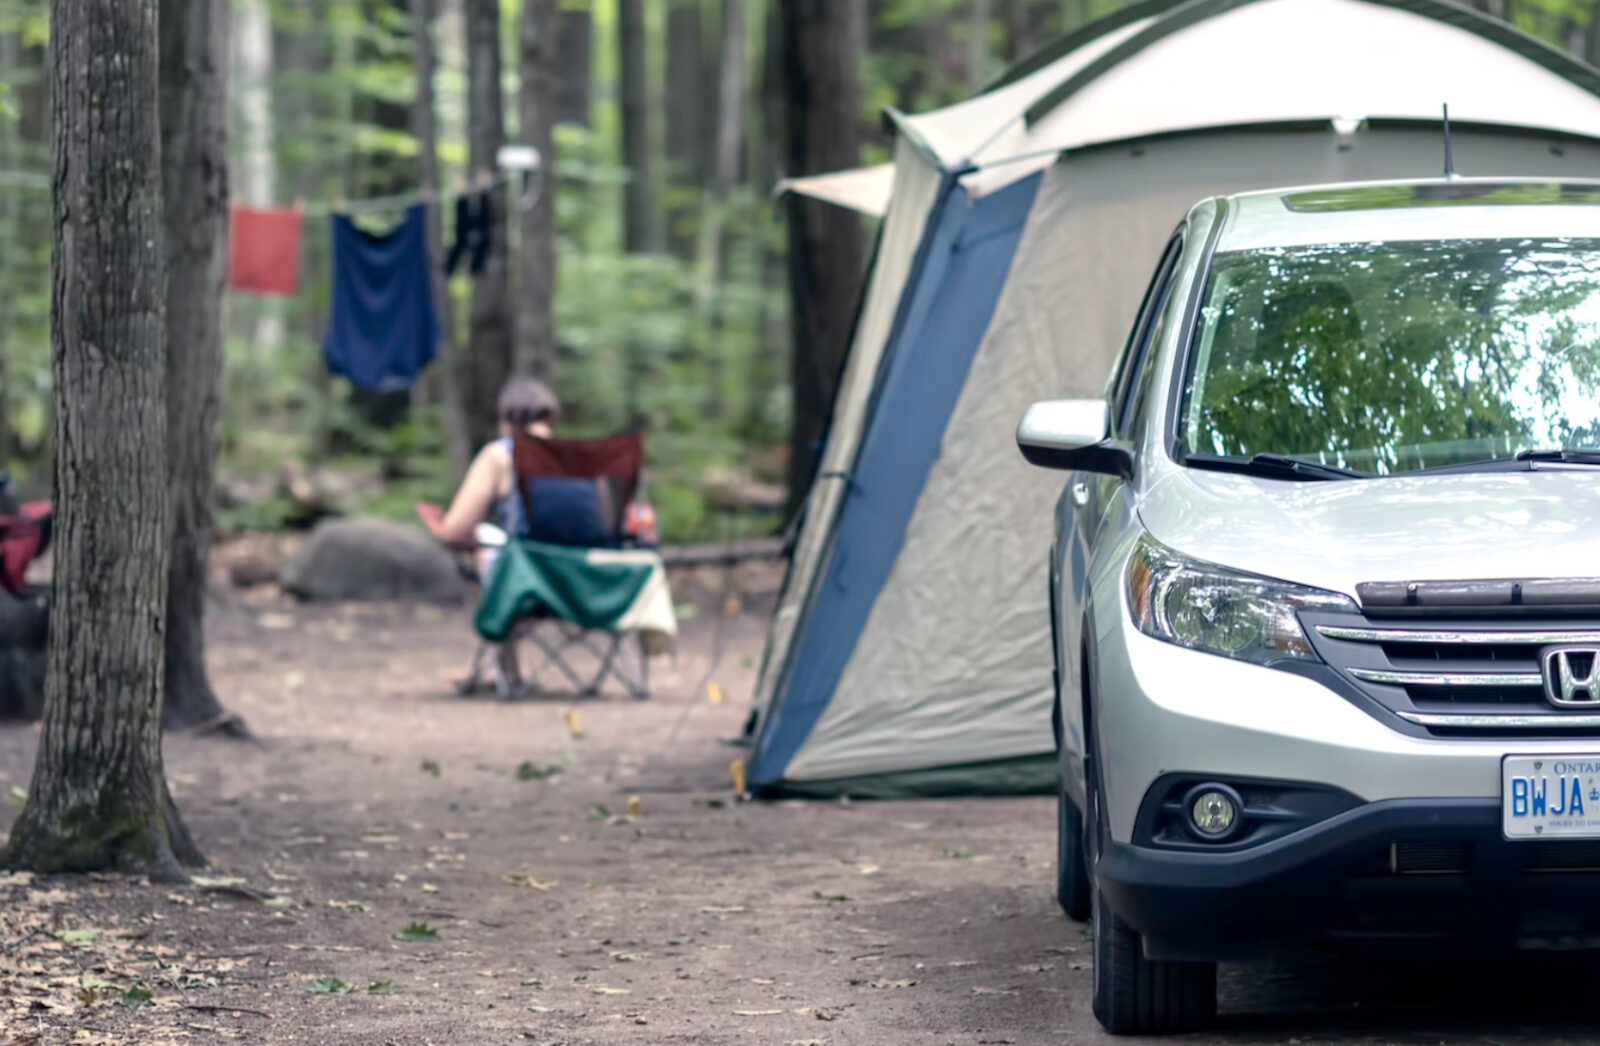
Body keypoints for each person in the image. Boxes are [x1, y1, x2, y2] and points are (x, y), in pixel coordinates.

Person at [427, 378, 610, 577]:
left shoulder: (500, 455)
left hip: (522, 579)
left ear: (507, 419)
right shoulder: (582, 460)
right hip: (580, 578)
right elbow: (604, 526)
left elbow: (454, 531)